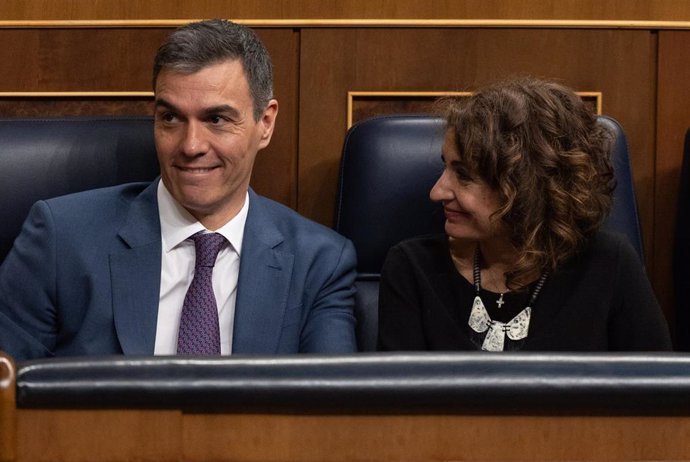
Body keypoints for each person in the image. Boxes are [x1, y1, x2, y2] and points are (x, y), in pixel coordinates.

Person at [0, 19, 358, 360]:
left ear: (264, 124)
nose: (190, 145)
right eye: (170, 118)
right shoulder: (61, 238)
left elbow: (330, 414)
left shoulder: (320, 262)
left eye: (216, 119)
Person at [378, 77, 672, 352]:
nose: (437, 192)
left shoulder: (610, 263)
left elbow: (660, 397)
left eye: (464, 175)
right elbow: (395, 403)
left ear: (527, 186)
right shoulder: (412, 268)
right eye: (446, 167)